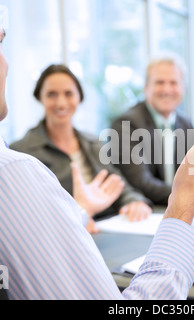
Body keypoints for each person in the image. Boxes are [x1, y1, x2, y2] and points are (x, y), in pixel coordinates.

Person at [0, 0, 194, 300]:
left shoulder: (89, 144)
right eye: (1, 39)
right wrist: (185, 200)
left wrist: (79, 210)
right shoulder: (4, 173)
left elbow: (122, 184)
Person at [10, 64, 152, 224]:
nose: (61, 103)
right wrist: (79, 219)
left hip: (107, 227)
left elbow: (117, 183)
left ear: (79, 98)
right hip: (66, 233)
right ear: (40, 98)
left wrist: (135, 202)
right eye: (51, 94)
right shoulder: (21, 152)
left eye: (69, 94)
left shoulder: (93, 142)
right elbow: (30, 211)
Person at [111, 55, 194, 210]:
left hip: (183, 212)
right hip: (146, 213)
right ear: (146, 87)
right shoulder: (126, 124)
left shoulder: (185, 123)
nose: (167, 90)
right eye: (160, 82)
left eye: (173, 83)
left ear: (182, 88)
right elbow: (141, 183)